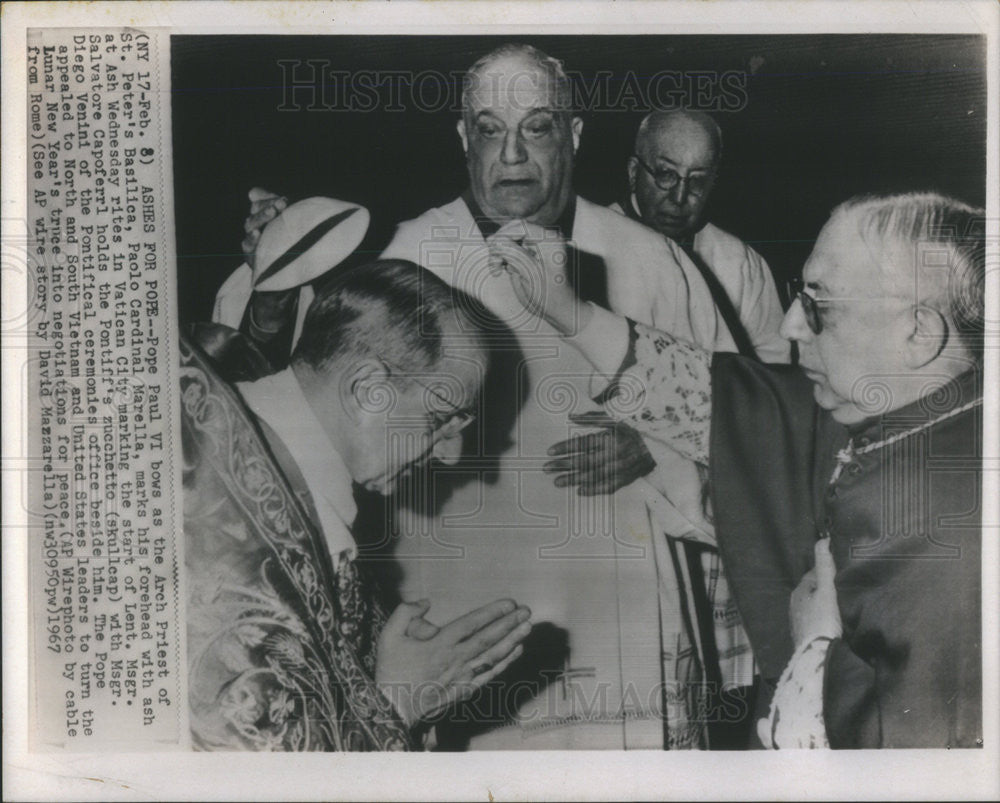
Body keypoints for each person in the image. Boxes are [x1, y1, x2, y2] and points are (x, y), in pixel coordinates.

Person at [377, 43, 781, 749]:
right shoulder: (403, 261)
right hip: (473, 620)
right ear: (462, 136)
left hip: (628, 627)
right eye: (489, 128)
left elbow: (750, 426)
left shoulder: (653, 261)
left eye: (535, 127)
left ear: (575, 135)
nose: (511, 155)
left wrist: (655, 446)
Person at [489, 191, 984, 748]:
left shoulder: (958, 519)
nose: (793, 325)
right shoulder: (908, 408)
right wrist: (567, 312)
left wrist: (816, 651)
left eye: (821, 304)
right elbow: (725, 401)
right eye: (800, 296)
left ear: (919, 332)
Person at [181, 259, 533, 750]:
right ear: (367, 390)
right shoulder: (224, 540)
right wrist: (399, 703)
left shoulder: (243, 443)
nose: (452, 454)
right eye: (441, 419)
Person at [613, 109, 788, 364]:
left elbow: (773, 372)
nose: (679, 197)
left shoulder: (741, 264)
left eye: (696, 182)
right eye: (666, 175)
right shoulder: (589, 247)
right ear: (633, 172)